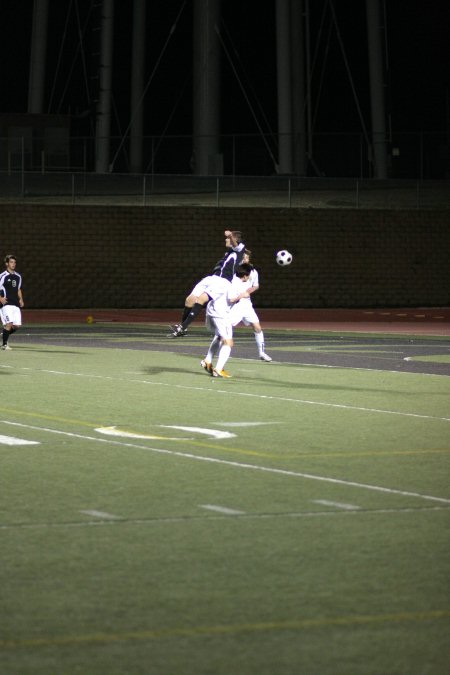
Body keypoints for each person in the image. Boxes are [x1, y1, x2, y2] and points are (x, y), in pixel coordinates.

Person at [169, 229, 245, 337]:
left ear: (235, 239)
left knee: (201, 299)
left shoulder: (239, 250)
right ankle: (183, 328)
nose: (226, 239)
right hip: (212, 278)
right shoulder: (229, 252)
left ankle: (182, 327)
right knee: (190, 299)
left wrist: (231, 235)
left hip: (223, 281)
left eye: (228, 238)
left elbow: (236, 244)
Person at [201, 263, 253, 378]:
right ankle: (218, 369)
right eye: (248, 276)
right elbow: (231, 299)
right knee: (229, 342)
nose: (249, 278)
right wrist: (242, 295)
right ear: (244, 276)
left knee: (219, 337)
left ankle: (207, 361)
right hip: (220, 313)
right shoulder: (236, 284)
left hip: (212, 309)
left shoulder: (231, 278)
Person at [228, 250, 272, 362]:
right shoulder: (234, 270)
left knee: (257, 327)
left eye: (246, 258)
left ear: (249, 259)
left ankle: (262, 353)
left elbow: (256, 286)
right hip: (236, 304)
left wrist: (248, 291)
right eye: (242, 258)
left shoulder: (253, 272)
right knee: (227, 327)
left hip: (247, 304)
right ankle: (219, 350)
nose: (244, 259)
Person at [0, 254, 24, 350]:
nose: (13, 264)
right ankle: (4, 344)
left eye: (14, 262)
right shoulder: (2, 276)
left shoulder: (18, 276)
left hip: (15, 304)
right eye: (11, 262)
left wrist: (21, 299)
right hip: (6, 304)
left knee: (17, 325)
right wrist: (0, 298)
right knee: (9, 324)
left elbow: (18, 289)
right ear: (7, 264)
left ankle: (4, 334)